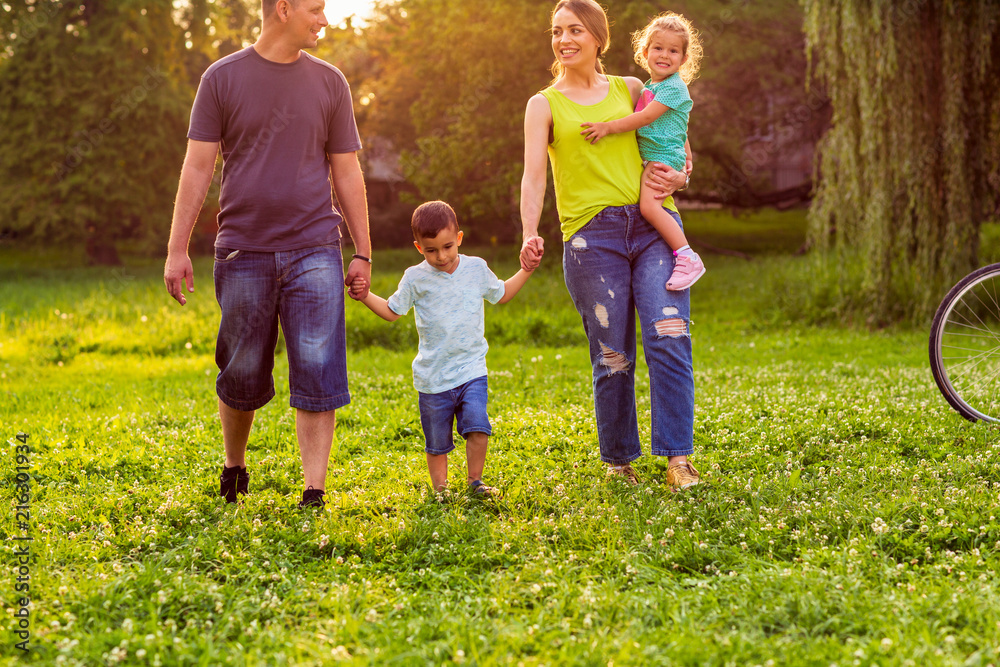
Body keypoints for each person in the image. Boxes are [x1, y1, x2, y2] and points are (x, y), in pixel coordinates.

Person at [163, 0, 372, 509]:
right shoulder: (222, 78)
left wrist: (363, 250)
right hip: (242, 251)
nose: (325, 19)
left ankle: (314, 490)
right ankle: (234, 467)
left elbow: (346, 171)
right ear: (283, 8)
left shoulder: (330, 83)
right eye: (316, 8)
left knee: (319, 367)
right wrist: (176, 248)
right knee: (240, 368)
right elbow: (197, 168)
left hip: (315, 248)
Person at [519, 0, 700, 490]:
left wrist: (681, 177)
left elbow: (675, 140)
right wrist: (529, 231)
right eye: (557, 31)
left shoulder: (633, 88)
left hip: (652, 226)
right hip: (590, 238)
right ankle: (619, 461)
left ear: (598, 36)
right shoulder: (545, 104)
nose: (564, 40)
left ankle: (678, 459)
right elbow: (535, 174)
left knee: (668, 334)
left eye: (575, 29)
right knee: (612, 354)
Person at [353, 201, 533, 497]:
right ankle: (441, 490)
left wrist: (526, 269)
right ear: (418, 247)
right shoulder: (414, 277)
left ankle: (475, 482)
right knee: (437, 442)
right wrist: (364, 296)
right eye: (431, 250)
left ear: (459, 238)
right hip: (433, 378)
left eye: (448, 246)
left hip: (472, 370)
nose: (441, 256)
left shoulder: (476, 268)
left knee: (478, 426)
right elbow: (391, 311)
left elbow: (501, 294)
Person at [580, 12, 704, 291]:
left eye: (673, 51)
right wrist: (688, 153)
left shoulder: (673, 87)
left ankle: (686, 255)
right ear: (645, 52)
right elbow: (679, 125)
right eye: (658, 48)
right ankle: (683, 253)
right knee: (649, 205)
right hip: (663, 154)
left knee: (649, 207)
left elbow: (647, 118)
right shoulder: (652, 85)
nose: (664, 55)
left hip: (660, 159)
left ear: (684, 59)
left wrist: (608, 128)